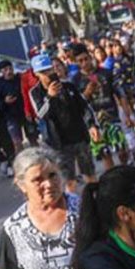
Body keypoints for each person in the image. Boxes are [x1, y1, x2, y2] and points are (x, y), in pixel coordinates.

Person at [28, 54, 100, 192]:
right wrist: (49, 96)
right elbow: (40, 115)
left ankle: (95, 203)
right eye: (43, 72)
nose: (48, 74)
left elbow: (84, 107)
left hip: (79, 137)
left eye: (49, 70)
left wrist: (92, 125)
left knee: (90, 174)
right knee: (69, 180)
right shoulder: (35, 92)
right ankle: (73, 208)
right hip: (58, 142)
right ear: (36, 74)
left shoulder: (68, 86)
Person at [73, 43, 134, 172]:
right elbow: (77, 104)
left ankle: (126, 172)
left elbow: (120, 94)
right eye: (80, 61)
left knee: (121, 150)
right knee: (105, 154)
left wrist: (128, 115)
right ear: (76, 62)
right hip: (94, 122)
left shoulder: (106, 73)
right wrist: (87, 92)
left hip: (112, 117)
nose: (84, 63)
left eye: (86, 59)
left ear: (90, 57)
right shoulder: (76, 80)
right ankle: (113, 181)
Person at [0, 60, 27, 155]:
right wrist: (5, 101)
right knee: (16, 142)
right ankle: (23, 160)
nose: (8, 71)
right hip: (10, 116)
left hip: (25, 112)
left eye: (10, 68)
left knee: (33, 137)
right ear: (1, 72)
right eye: (5, 69)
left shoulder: (20, 78)